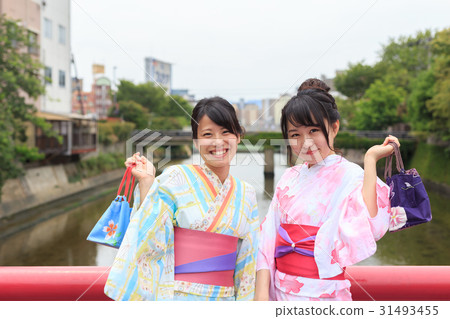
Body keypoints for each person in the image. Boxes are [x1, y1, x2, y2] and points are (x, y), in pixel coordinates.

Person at [254, 79, 398, 301]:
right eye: (295, 134)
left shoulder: (351, 175)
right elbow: (267, 240)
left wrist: (370, 160)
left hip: (325, 296)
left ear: (334, 127)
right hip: (281, 293)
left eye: (313, 130)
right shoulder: (289, 178)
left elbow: (371, 224)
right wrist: (261, 295)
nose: (306, 142)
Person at [105, 97, 259, 301]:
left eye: (226, 132)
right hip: (178, 298)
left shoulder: (246, 193)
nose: (217, 141)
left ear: (238, 136)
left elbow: (248, 259)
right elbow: (148, 234)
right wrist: (147, 183)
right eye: (207, 134)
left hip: (226, 299)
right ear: (196, 142)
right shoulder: (175, 177)